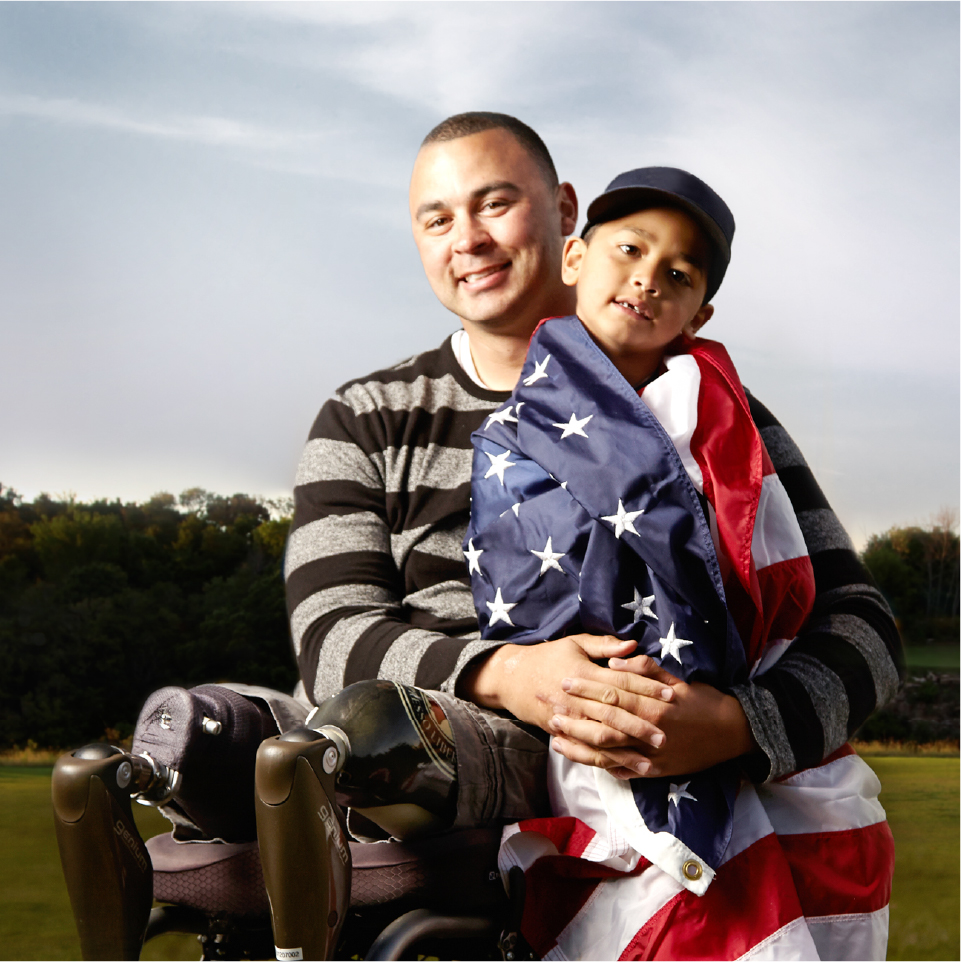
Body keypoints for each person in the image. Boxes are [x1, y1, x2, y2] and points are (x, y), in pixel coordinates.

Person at [464, 166, 895, 959]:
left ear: (701, 311)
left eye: (677, 273)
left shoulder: (739, 427)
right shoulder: (503, 443)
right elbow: (495, 602)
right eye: (627, 248)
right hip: (575, 776)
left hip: (748, 761)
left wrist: (739, 723)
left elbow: (863, 624)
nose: (644, 278)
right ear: (574, 257)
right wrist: (511, 674)